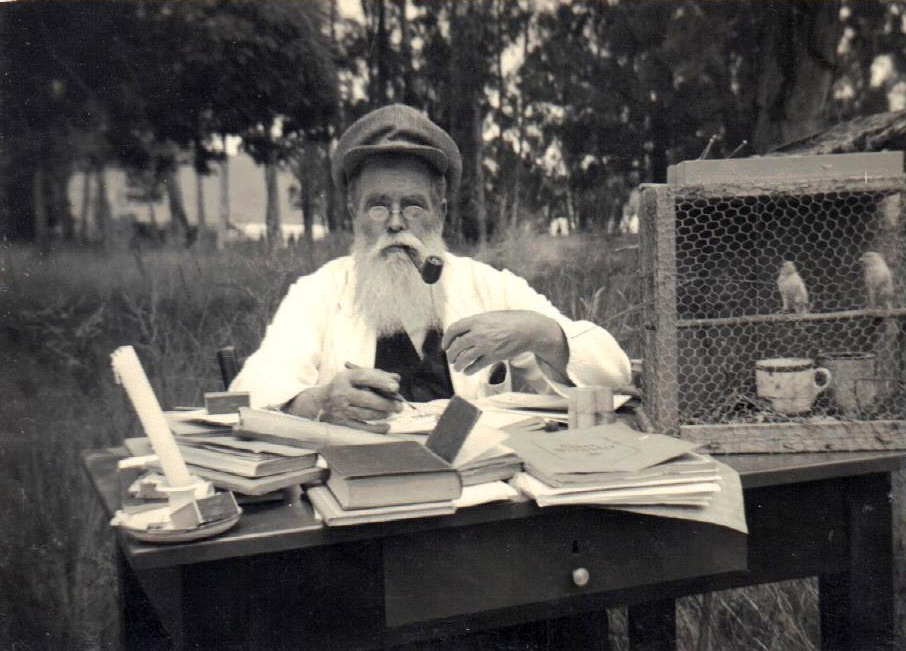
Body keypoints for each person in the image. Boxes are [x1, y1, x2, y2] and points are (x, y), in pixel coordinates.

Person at [231, 104, 630, 431]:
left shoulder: (486, 286)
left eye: (414, 205)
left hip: (477, 492)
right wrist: (317, 402)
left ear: (440, 213)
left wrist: (541, 334)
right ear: (354, 212)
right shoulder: (318, 292)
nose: (395, 222)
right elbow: (253, 388)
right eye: (377, 205)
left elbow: (613, 375)